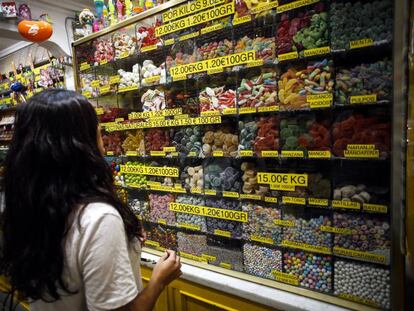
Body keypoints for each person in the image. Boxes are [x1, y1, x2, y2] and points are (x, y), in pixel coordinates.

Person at [0, 89, 182, 311]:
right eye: (97, 129)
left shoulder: (30, 205)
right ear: (79, 144)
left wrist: (122, 241)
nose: (102, 136)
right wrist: (159, 281)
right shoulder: (98, 218)